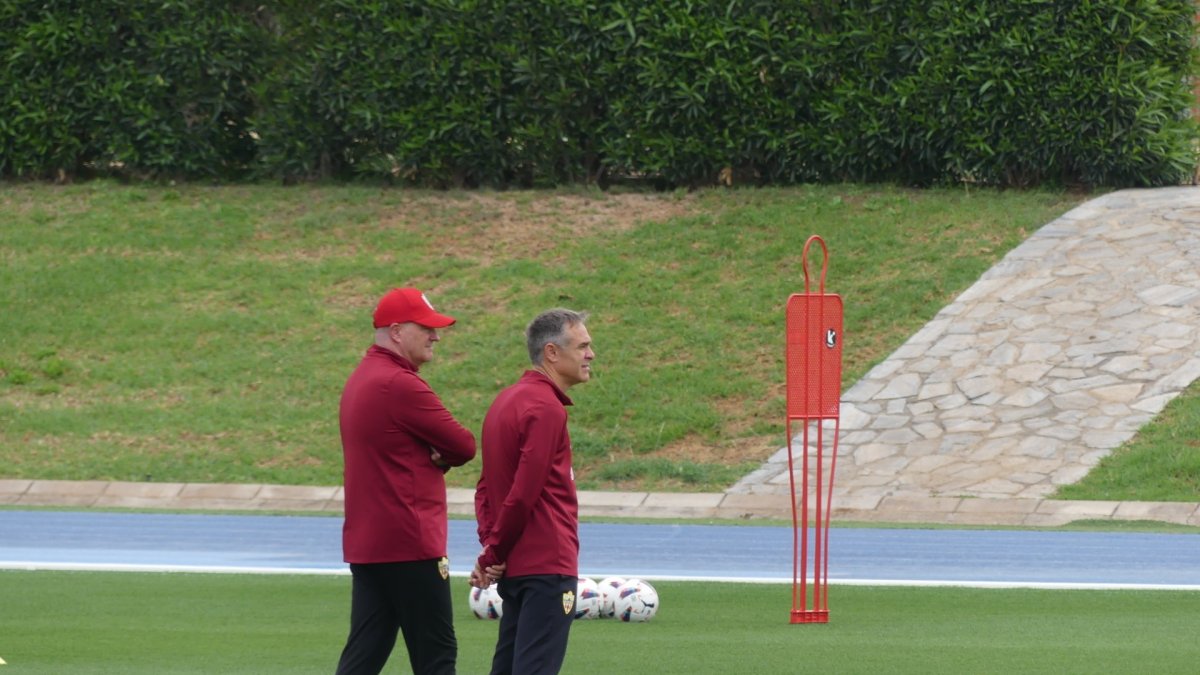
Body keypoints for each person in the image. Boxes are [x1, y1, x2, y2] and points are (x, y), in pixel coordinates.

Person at [335, 287, 476, 675]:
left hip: (370, 543)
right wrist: (442, 456)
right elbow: (464, 445)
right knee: (436, 655)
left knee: (364, 654)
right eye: (427, 328)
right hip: (410, 543)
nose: (436, 336)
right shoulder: (400, 383)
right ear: (396, 332)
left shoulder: (362, 377)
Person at [471, 308, 595, 675]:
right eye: (583, 346)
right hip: (547, 567)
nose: (591, 354)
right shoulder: (546, 409)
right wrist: (493, 552)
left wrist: (493, 552)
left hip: (518, 568)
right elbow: (523, 493)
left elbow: (485, 489)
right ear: (552, 353)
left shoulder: (503, 403)